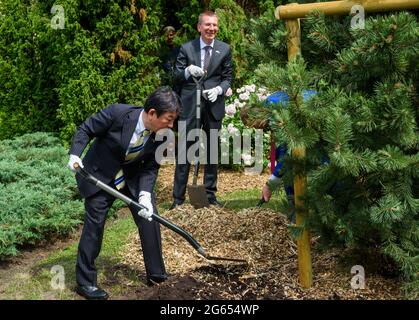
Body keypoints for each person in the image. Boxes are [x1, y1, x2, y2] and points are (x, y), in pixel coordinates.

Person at [67, 87, 181, 300]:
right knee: (95, 225)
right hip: (100, 176)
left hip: (132, 177)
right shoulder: (117, 113)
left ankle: (157, 275)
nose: (171, 125)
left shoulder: (162, 135)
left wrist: (145, 195)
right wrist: (75, 154)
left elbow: (151, 167)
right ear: (152, 113)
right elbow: (86, 129)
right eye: (169, 119)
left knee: (149, 218)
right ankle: (85, 283)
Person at [170, 11, 233, 209]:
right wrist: (187, 71)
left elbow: (228, 77)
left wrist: (219, 89)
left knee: (213, 151)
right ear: (199, 27)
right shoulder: (187, 48)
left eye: (214, 25)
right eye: (207, 25)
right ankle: (178, 199)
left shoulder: (224, 49)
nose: (211, 29)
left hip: (213, 106)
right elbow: (176, 77)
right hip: (190, 106)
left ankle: (210, 196)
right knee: (185, 151)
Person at [160, 26, 181, 93]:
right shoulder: (160, 49)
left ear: (174, 35)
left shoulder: (180, 49)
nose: (169, 37)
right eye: (166, 35)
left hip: (177, 83)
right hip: (163, 83)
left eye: (171, 35)